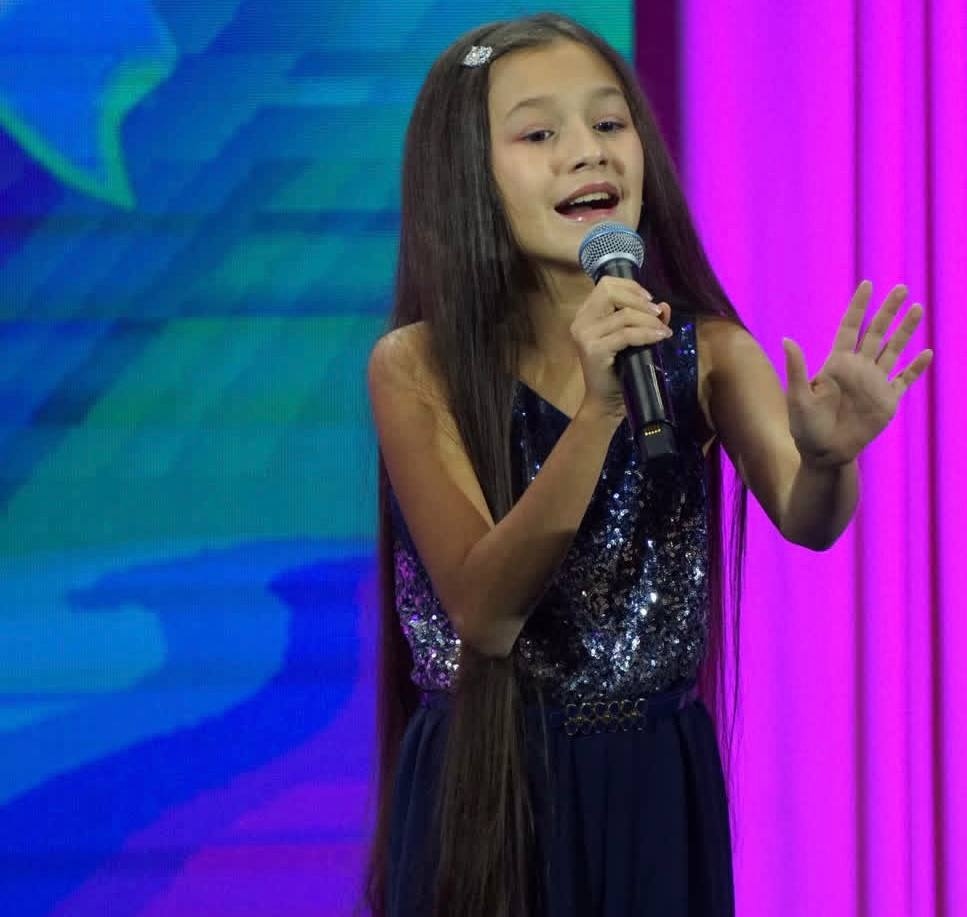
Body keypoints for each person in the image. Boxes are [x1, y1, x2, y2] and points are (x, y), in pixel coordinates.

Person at [364, 13, 932, 917]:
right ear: (466, 171)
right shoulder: (417, 365)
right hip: (489, 781)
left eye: (608, 122)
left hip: (654, 783)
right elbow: (484, 612)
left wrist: (829, 460)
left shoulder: (707, 351)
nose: (586, 152)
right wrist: (597, 411)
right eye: (538, 134)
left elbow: (806, 515)